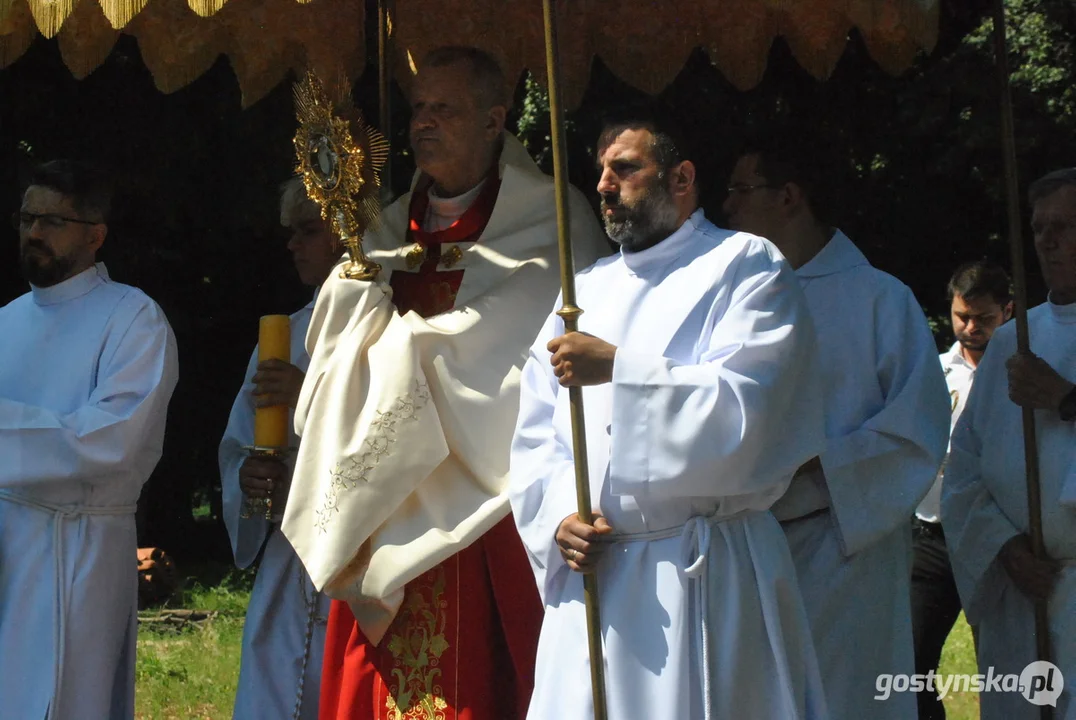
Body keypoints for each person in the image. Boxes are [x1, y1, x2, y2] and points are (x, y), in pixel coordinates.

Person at [279, 46, 610, 719]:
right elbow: (334, 344)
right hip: (388, 503)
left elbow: (510, 348)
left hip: (484, 497)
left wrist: (399, 348)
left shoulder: (553, 222)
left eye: (444, 109)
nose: (423, 123)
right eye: (417, 109)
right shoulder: (384, 226)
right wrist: (355, 294)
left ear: (494, 121)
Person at [510, 106, 829, 719]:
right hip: (596, 576)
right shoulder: (584, 291)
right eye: (600, 170)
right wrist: (557, 517)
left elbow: (751, 413)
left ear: (681, 179)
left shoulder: (746, 265)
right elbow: (536, 434)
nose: (603, 185)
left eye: (625, 168)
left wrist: (621, 370)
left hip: (703, 572)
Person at [723, 137, 950, 719]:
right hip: (745, 546)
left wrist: (816, 465)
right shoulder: (729, 301)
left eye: (741, 191)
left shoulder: (880, 300)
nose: (727, 207)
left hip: (846, 549)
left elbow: (917, 432)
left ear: (790, 197)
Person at [0, 159, 179, 720]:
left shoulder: (134, 319)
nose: (33, 232)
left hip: (77, 548)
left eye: (52, 220)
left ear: (95, 234)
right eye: (27, 217)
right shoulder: (5, 321)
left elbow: (110, 441)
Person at [943, 167, 1076, 718]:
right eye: (1040, 226)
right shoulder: (1013, 343)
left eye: (1066, 226)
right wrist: (1005, 547)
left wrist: (1066, 399)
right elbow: (965, 467)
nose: (1047, 239)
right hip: (1025, 590)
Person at [219, 177, 340, 720]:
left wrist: (307, 396)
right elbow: (240, 446)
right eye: (291, 233)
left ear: (348, 233)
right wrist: (250, 479)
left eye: (308, 231)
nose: (293, 245)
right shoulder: (284, 335)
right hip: (290, 561)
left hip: (360, 557)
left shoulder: (398, 326)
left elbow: (399, 434)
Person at [912, 260, 1012, 719]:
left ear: (1007, 312)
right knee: (912, 666)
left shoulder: (1020, 375)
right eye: (961, 316)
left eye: (984, 319)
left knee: (1006, 664)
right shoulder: (933, 372)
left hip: (996, 539)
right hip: (931, 538)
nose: (970, 328)